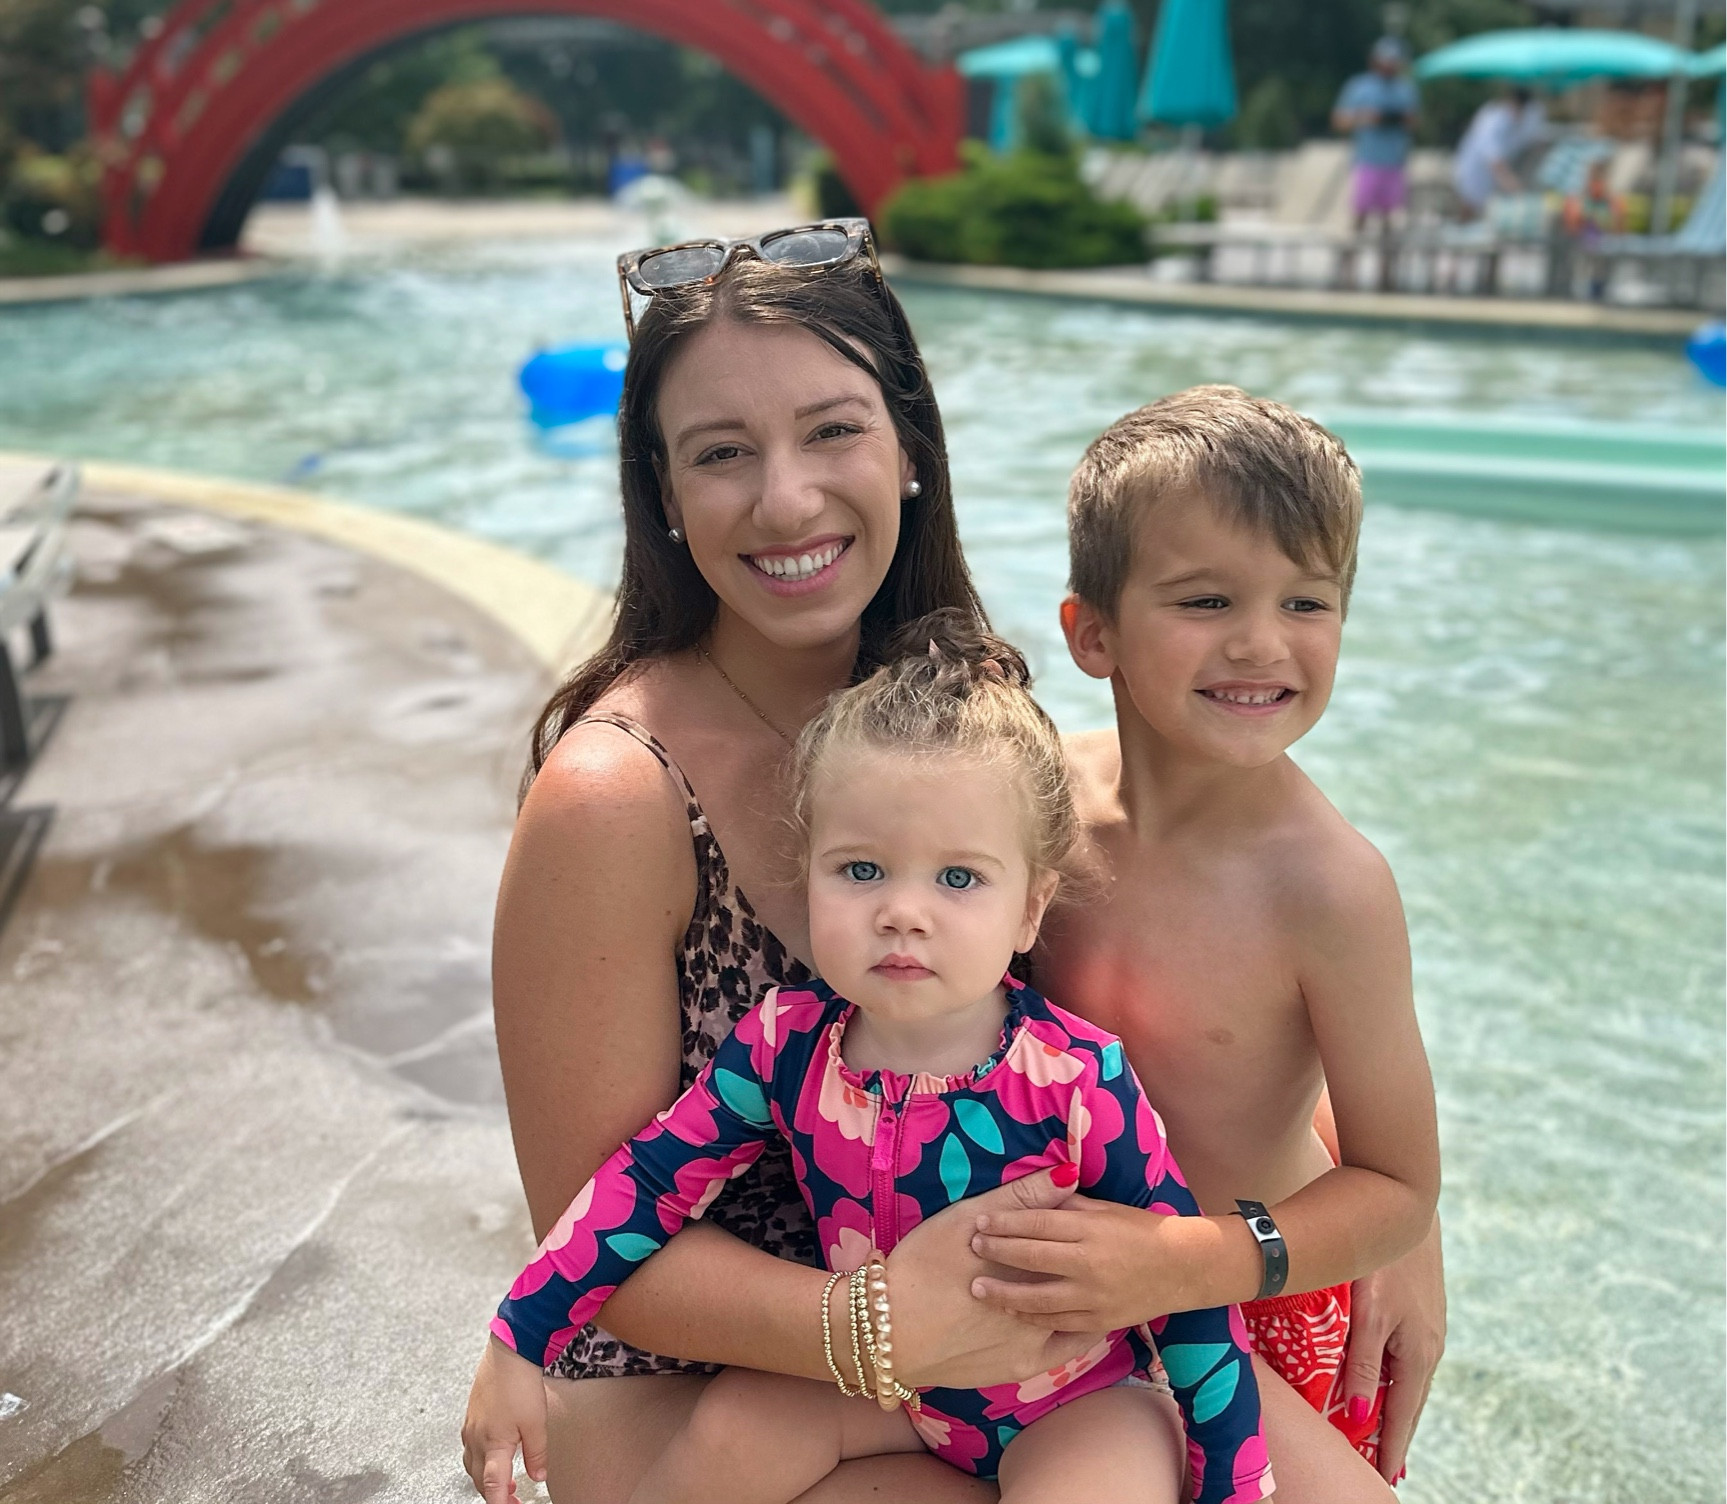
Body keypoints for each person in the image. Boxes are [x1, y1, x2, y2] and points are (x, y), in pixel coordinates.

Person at [484, 221, 1441, 1504]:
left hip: (1024, 1343)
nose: (784, 497)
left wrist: (1363, 1219)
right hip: (715, 1408)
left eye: (832, 429)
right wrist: (876, 1324)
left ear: (911, 452)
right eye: (721, 453)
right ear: (662, 493)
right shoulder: (618, 795)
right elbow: (602, 1237)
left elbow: (1197, 1008)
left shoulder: (957, 726)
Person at [465, 620, 1271, 1504]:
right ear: (805, 873)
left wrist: (1233, 1486)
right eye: (860, 870)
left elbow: (1183, 1293)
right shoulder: (784, 1048)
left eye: (957, 879)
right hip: (897, 1389)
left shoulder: (1078, 1081)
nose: (902, 913)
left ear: (1031, 909)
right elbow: (649, 1185)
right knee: (735, 1431)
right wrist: (519, 1337)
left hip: (1073, 1400)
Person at [967, 389, 1442, 1495]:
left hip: (1255, 1293)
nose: (1259, 642)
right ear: (1091, 632)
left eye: (1306, 600)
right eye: (1205, 598)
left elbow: (1397, 1183)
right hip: (1068, 1289)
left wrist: (1184, 1259)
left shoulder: (1328, 887)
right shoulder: (1034, 801)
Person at [1332, 40, 1419, 231]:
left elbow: (1413, 122)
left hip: (1395, 162)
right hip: (1367, 160)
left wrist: (1395, 119)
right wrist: (1366, 118)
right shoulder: (1359, 86)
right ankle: (1348, 260)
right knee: (1360, 215)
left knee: (1390, 219)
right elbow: (1339, 121)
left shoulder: (1406, 89)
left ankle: (1387, 262)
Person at [1453, 86, 1544, 219]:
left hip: (1487, 182)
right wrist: (1517, 189)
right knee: (1469, 210)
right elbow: (1496, 163)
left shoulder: (1519, 119)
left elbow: (1529, 143)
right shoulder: (1493, 120)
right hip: (1472, 175)